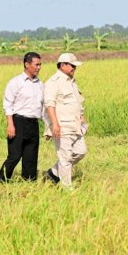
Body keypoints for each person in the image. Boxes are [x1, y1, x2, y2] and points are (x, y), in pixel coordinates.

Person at [0, 52, 44, 183]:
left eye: (40, 64)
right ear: (27, 64)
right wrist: (10, 124)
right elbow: (8, 104)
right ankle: (2, 180)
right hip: (18, 121)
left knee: (31, 154)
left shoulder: (40, 84)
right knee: (15, 155)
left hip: (33, 122)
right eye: (36, 64)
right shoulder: (15, 82)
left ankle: (29, 181)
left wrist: (48, 126)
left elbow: (43, 106)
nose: (39, 67)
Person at [43, 53, 87, 190]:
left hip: (76, 125)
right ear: (62, 65)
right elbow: (49, 104)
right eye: (72, 65)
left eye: (75, 65)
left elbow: (77, 102)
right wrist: (54, 124)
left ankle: (53, 172)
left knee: (81, 151)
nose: (74, 68)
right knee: (65, 158)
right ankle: (66, 189)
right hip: (62, 126)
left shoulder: (72, 82)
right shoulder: (53, 82)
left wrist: (81, 116)